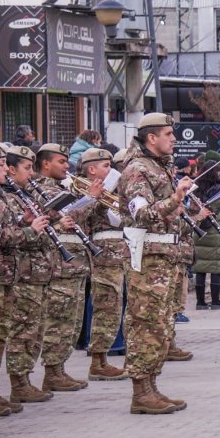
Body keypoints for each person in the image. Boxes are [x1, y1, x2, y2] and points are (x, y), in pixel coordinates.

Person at [118, 112, 209, 414]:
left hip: (165, 259)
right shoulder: (137, 170)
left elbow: (168, 219)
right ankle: (140, 391)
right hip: (148, 261)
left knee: (160, 326)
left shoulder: (160, 168)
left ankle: (151, 386)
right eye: (168, 134)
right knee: (146, 325)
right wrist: (175, 198)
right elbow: (141, 214)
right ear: (151, 138)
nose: (173, 139)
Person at [34, 143, 102, 393]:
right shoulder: (39, 189)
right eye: (61, 162)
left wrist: (93, 200)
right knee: (59, 319)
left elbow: (80, 219)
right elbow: (60, 218)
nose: (67, 166)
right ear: (45, 164)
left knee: (72, 320)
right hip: (60, 262)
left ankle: (59, 368)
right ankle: (52, 371)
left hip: (75, 261)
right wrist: (89, 199)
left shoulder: (64, 188)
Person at [0, 143, 48, 415]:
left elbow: (5, 230)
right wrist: (31, 232)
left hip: (4, 278)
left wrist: (23, 223)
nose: (5, 170)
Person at [2, 145, 55, 404]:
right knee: (22, 330)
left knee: (35, 330)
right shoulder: (8, 197)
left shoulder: (24, 194)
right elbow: (8, 236)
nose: (31, 174)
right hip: (23, 273)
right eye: (26, 168)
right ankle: (18, 382)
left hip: (39, 271)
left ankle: (25, 379)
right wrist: (30, 226)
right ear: (11, 170)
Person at [79, 148, 128, 380]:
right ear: (92, 169)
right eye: (106, 166)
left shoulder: (110, 189)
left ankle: (103, 358)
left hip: (118, 252)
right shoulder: (78, 187)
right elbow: (76, 217)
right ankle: (98, 360)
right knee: (105, 305)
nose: (111, 170)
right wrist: (93, 197)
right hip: (102, 253)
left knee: (114, 306)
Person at [192, 161, 220, 309]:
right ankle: (216, 300)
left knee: (200, 267)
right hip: (218, 232)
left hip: (199, 231)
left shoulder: (195, 189)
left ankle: (200, 302)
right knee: (216, 266)